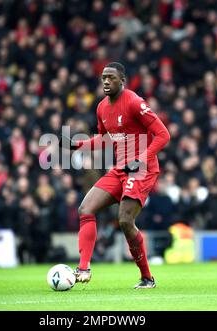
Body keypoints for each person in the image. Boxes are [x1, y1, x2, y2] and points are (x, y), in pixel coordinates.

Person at [60, 62, 170, 289]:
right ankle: (83, 268)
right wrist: (76, 144)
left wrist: (141, 158)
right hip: (120, 168)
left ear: (122, 80)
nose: (106, 82)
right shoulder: (101, 107)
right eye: (103, 78)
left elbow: (163, 135)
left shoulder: (134, 102)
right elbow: (105, 139)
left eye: (111, 77)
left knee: (125, 221)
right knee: (85, 209)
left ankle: (147, 278)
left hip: (142, 168)